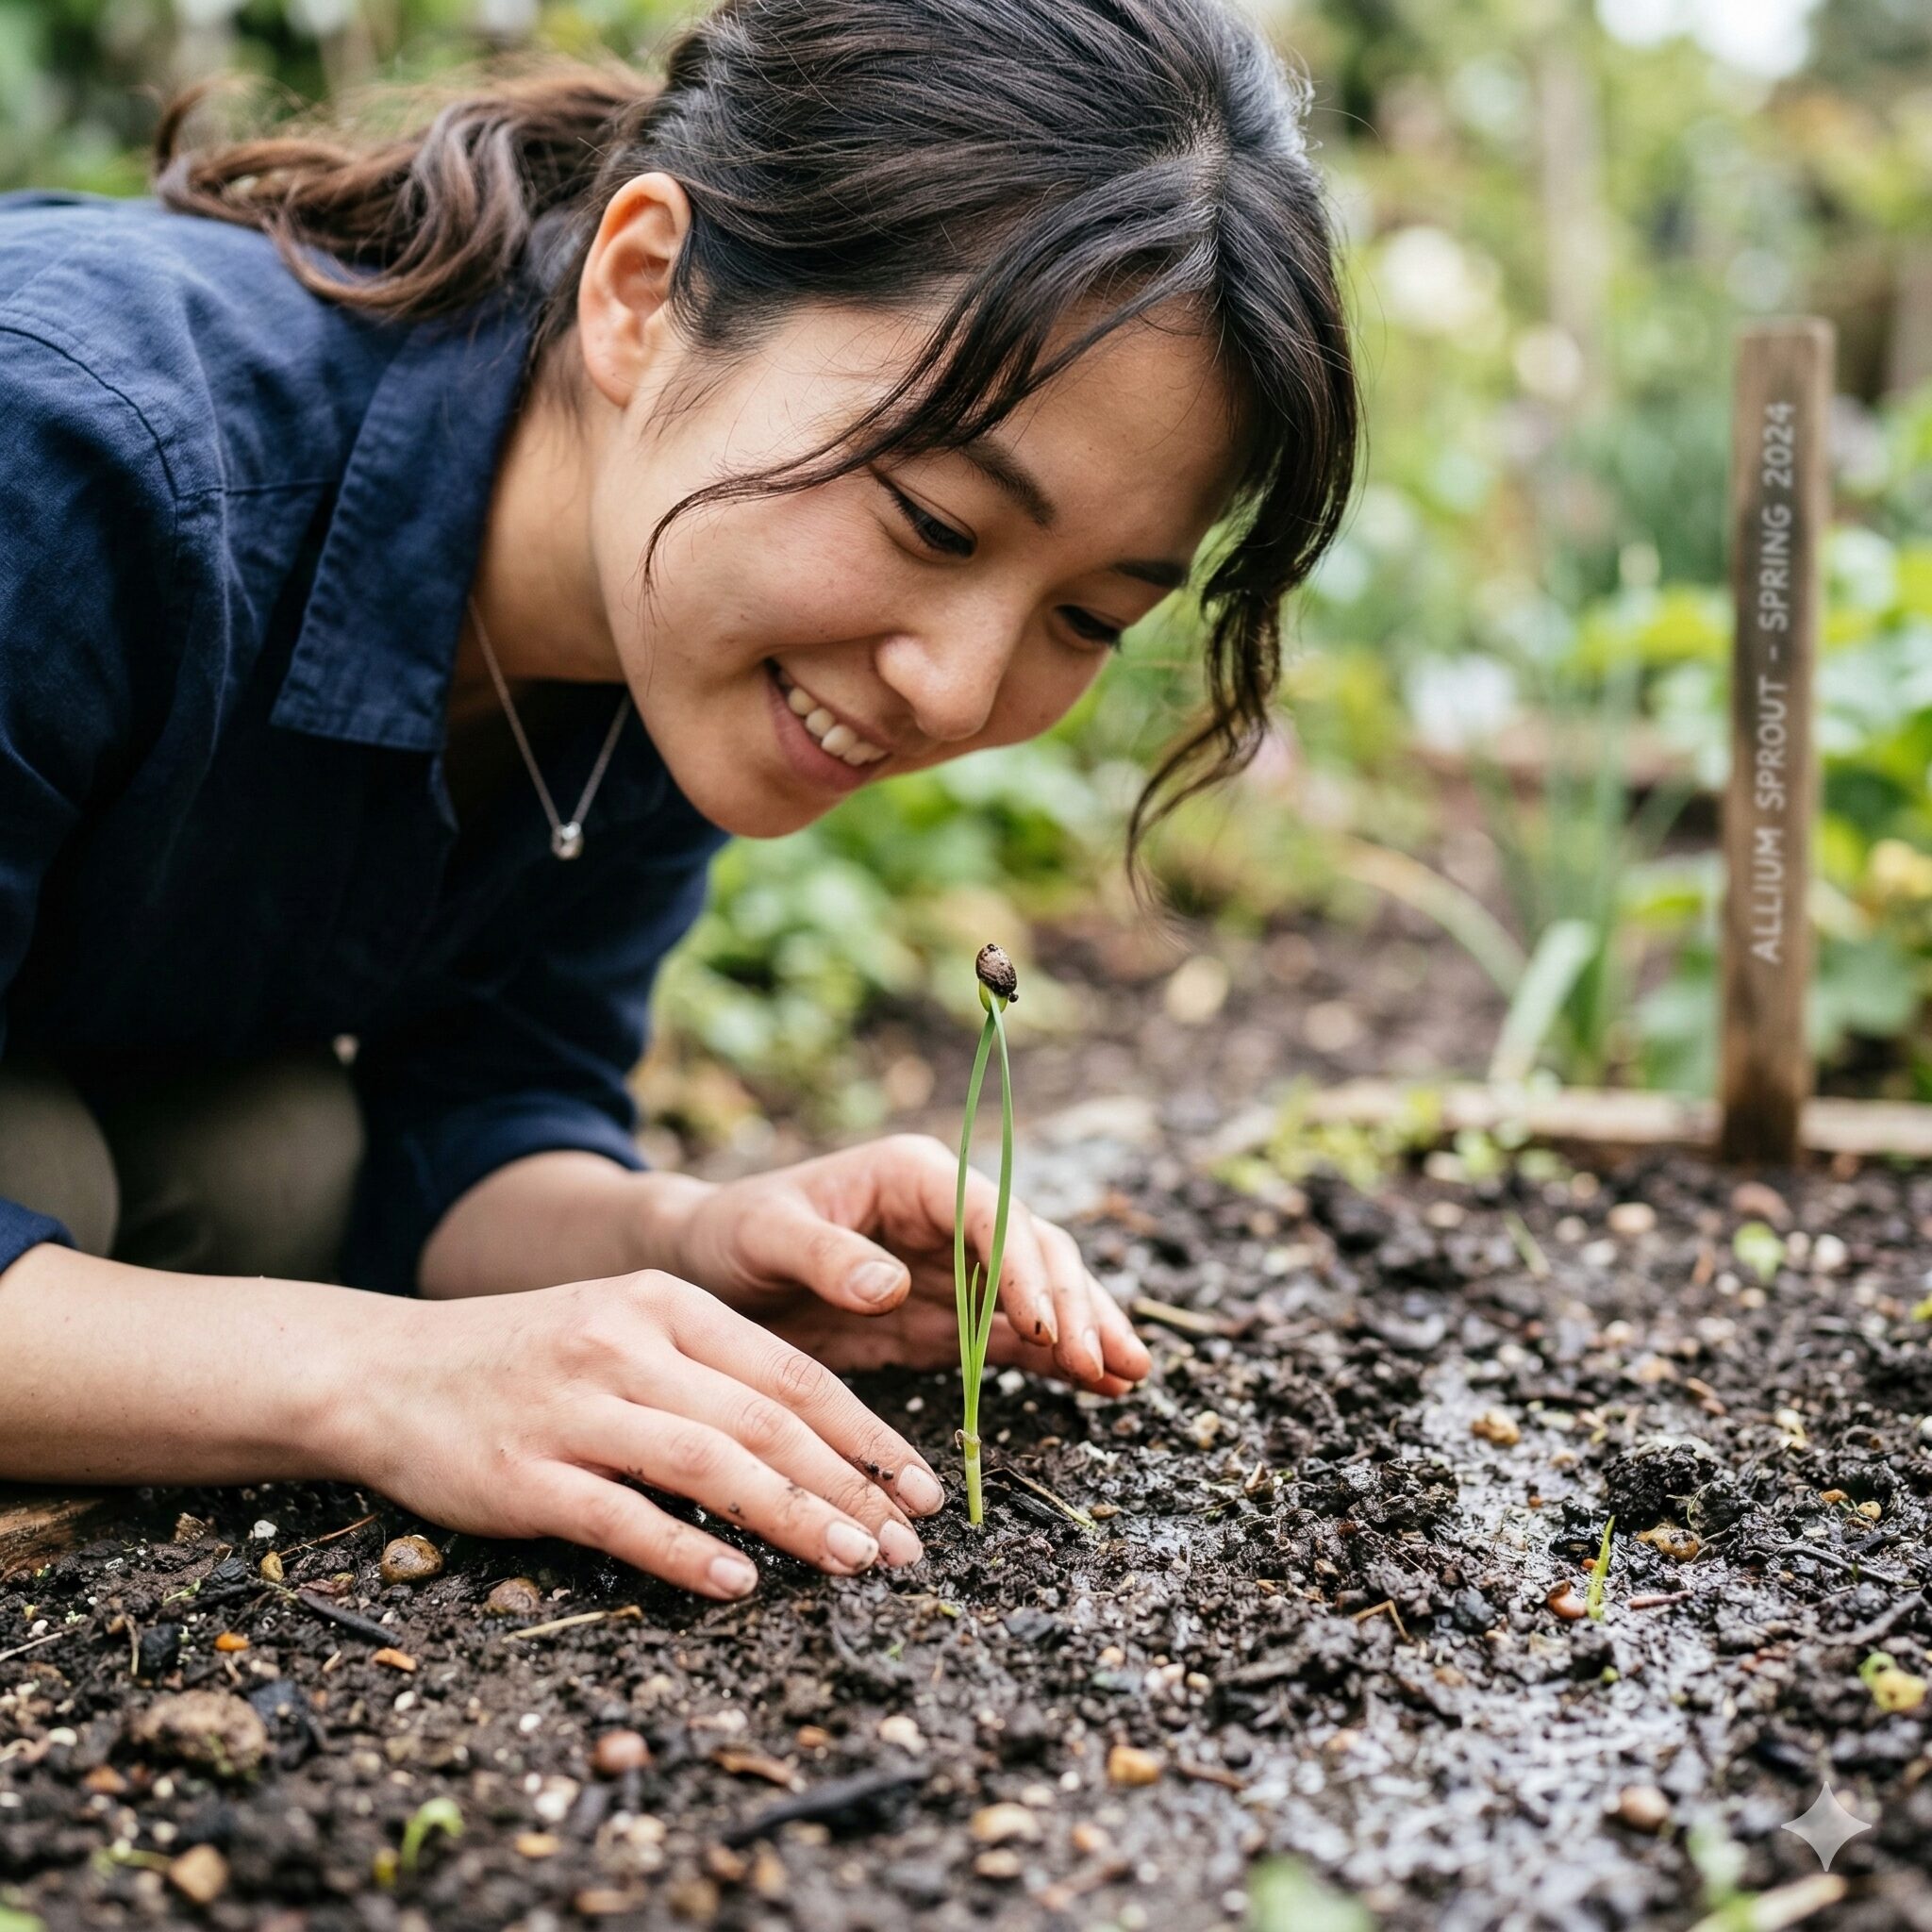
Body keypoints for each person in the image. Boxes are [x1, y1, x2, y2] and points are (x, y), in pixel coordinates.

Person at [0, 0, 1358, 1597]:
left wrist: (688, 1246)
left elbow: (482, 1111)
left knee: (279, 1160)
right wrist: (380, 1379)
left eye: (1086, 618)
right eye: (933, 522)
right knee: (81, 1179)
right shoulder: (75, 454)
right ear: (643, 290)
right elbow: (390, 1343)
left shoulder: (667, 624)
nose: (956, 692)